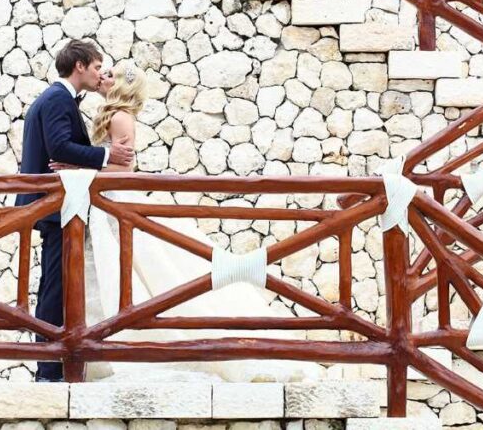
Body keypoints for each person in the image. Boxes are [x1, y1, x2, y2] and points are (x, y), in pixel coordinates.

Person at [52, 60, 325, 383]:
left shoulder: (122, 118)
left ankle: (140, 344)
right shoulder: (113, 116)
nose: (103, 77)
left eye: (110, 74)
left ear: (122, 86)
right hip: (107, 203)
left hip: (116, 201)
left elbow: (123, 170)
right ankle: (105, 346)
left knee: (139, 272)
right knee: (117, 273)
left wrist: (81, 173)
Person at [15, 39, 134, 382]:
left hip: (61, 206)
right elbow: (59, 147)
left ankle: (54, 364)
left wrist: (77, 157)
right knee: (54, 288)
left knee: (61, 285)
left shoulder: (62, 100)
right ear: (79, 66)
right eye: (97, 67)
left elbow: (67, 151)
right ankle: (48, 369)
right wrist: (108, 157)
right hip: (54, 208)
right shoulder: (56, 99)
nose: (100, 74)